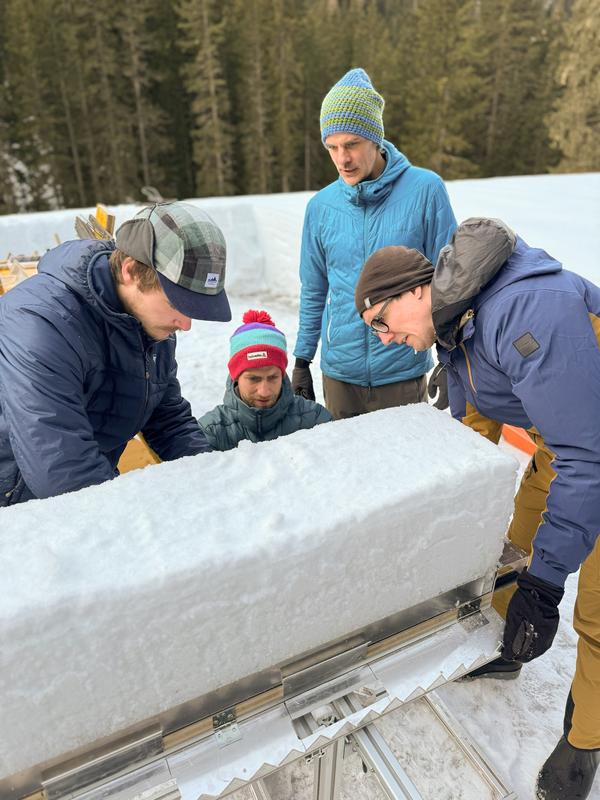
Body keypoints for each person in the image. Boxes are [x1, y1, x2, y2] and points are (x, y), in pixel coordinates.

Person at [354, 217, 600, 800]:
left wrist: (546, 586)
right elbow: (467, 434)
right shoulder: (454, 329)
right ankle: (510, 645)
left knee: (595, 605)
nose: (385, 339)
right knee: (514, 537)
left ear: (415, 292)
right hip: (566, 439)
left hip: (592, 451)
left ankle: (584, 739)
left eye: (381, 323)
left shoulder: (527, 312)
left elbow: (589, 462)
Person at [0, 201, 231, 506]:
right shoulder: (42, 323)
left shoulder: (150, 323)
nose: (186, 325)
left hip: (86, 489)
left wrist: (216, 482)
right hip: (19, 508)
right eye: (177, 304)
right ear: (130, 271)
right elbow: (62, 468)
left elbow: (168, 419)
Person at [292, 67, 456, 420]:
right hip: (340, 376)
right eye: (332, 147)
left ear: (375, 140)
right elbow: (314, 289)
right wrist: (302, 359)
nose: (342, 159)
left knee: (406, 471)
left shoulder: (425, 191)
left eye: (352, 144)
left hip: (402, 369)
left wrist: (450, 359)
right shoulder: (320, 208)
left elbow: (450, 282)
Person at [199, 310, 331, 451]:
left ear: (282, 374)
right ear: (236, 377)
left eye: (273, 377)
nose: (264, 392)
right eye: (253, 379)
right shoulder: (210, 432)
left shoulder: (315, 418)